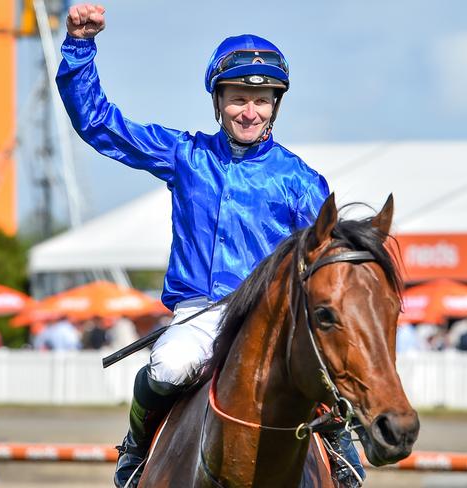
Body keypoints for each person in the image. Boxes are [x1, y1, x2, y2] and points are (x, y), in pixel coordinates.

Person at [57, 4, 363, 487]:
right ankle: (135, 452)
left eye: (262, 101)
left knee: (320, 369)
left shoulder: (302, 181)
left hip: (269, 316)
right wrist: (80, 47)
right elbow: (99, 124)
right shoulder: (186, 155)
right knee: (168, 365)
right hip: (200, 314)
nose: (249, 111)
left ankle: (343, 456)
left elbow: (329, 262)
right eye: (239, 98)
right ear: (218, 101)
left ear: (276, 106)